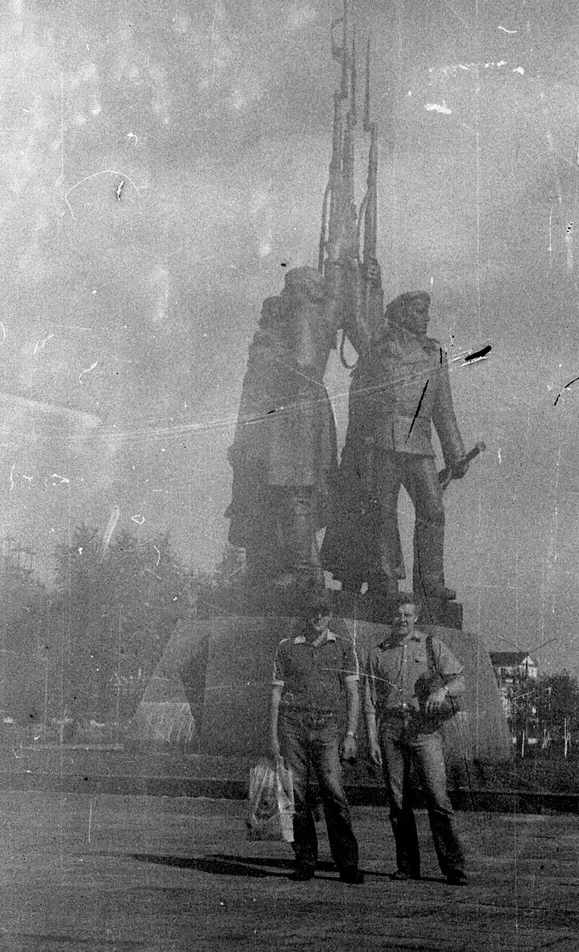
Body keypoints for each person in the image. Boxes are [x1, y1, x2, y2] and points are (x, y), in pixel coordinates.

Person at [323, 289, 469, 602]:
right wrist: (365, 282)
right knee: (382, 515)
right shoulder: (380, 347)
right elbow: (357, 321)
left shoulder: (435, 354)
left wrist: (455, 453)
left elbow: (444, 408)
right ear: (402, 314)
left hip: (419, 445)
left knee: (433, 510)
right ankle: (384, 579)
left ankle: (431, 584)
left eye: (426, 312)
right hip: (383, 443)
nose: (425, 318)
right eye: (418, 312)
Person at [225, 267, 340, 591]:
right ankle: (287, 570)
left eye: (291, 289)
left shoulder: (304, 314)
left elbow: (304, 363)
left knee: (294, 496)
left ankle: (305, 572)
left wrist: (272, 358)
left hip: (293, 421)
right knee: (278, 497)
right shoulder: (304, 317)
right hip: (284, 422)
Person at [364, 592, 469, 885]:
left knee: (437, 797)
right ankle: (407, 866)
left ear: (416, 617)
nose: (402, 620)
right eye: (398, 615)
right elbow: (370, 701)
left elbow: (460, 679)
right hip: (391, 729)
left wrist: (442, 691)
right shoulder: (377, 652)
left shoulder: (431, 645)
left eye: (408, 615)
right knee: (398, 802)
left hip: (423, 729)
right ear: (391, 617)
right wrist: (372, 740)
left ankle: (454, 867)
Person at [268, 593, 364, 883]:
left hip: (328, 729)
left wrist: (350, 733)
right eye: (313, 611)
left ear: (331, 615)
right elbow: (275, 695)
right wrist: (273, 737)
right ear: (305, 614)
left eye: (323, 612)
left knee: (334, 793)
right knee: (295, 795)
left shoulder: (344, 647)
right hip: (292, 727)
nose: (318, 617)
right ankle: (305, 860)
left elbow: (352, 693)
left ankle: (347, 863)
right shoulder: (287, 648)